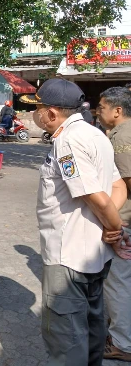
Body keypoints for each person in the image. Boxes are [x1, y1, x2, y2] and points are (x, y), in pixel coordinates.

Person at [20, 78, 128, 364]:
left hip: (68, 256)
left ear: (52, 113)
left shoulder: (68, 141)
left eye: (38, 108)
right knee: (92, 331)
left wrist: (114, 229)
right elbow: (118, 188)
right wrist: (109, 228)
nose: (35, 114)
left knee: (66, 341)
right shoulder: (96, 135)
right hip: (94, 255)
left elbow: (96, 196)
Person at [96, 87, 131, 362]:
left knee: (118, 282)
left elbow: (127, 183)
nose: (98, 111)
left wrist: (115, 223)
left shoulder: (122, 136)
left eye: (102, 107)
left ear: (117, 110)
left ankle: (121, 343)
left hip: (126, 220)